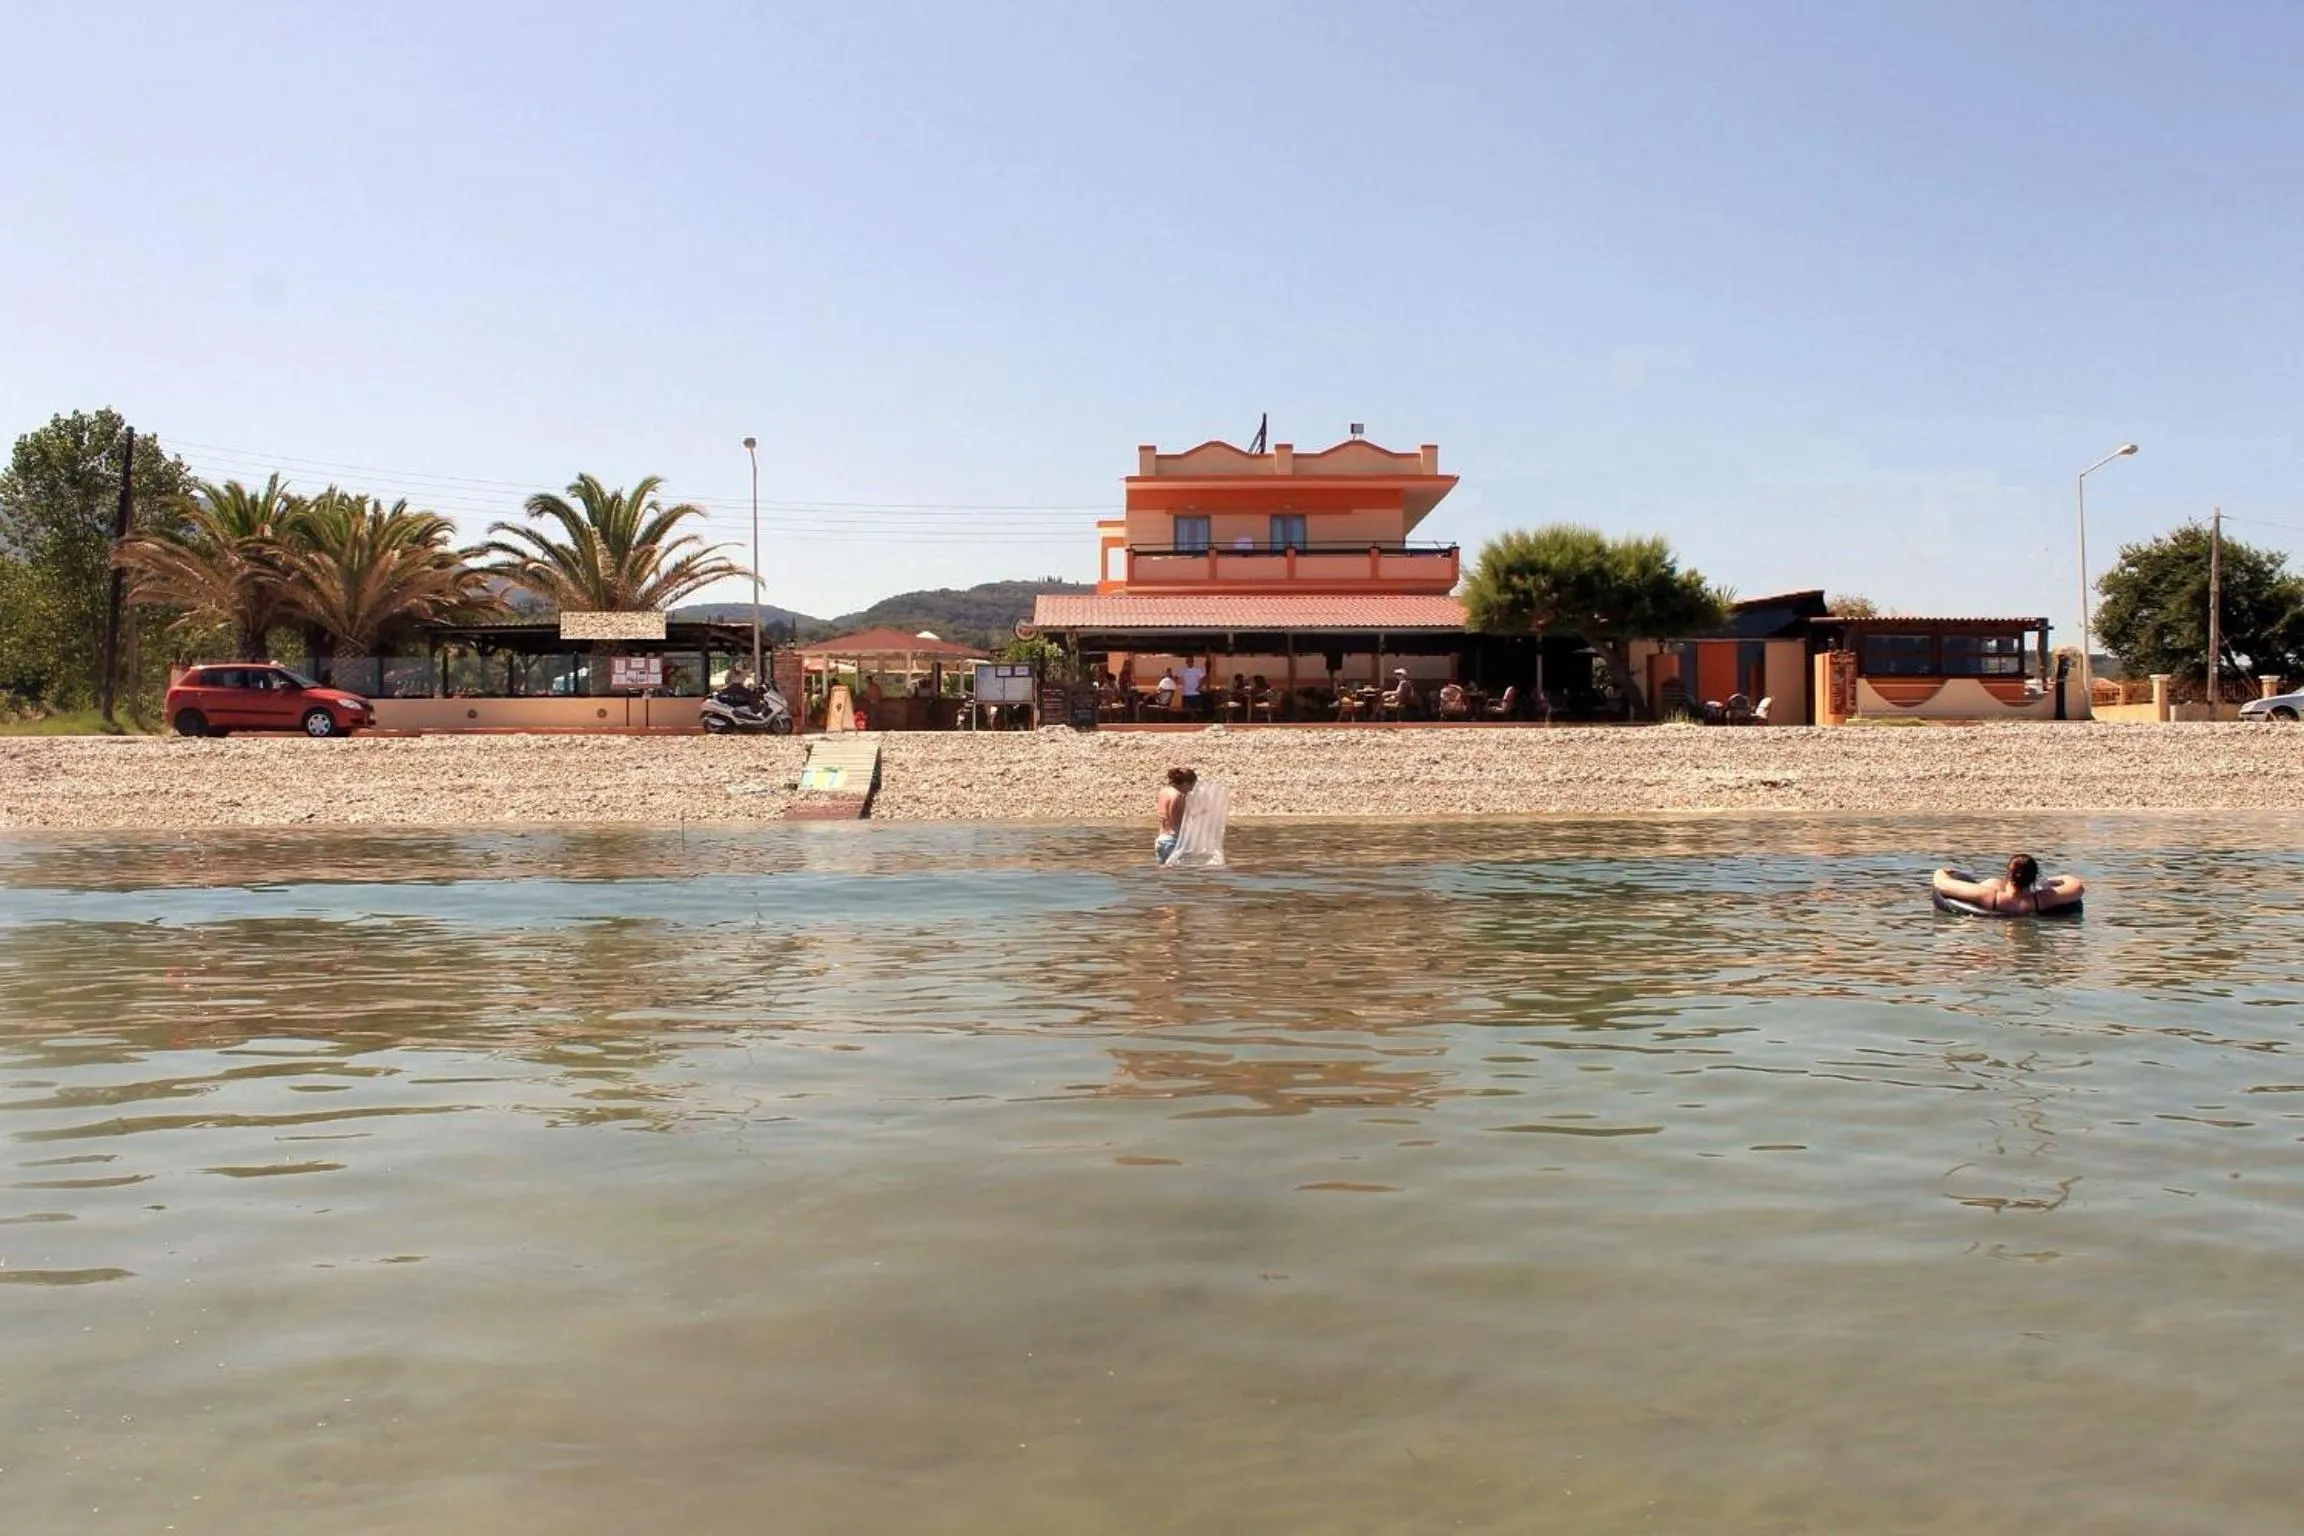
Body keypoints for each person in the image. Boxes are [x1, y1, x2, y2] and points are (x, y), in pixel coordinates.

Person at [1933, 855, 2083, 915]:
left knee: (1993, 882)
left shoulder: (1989, 895)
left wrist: (1941, 871)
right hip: (2031, 910)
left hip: (1992, 916)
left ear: (2008, 874)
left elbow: (1942, 884)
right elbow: (2077, 887)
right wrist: (2054, 879)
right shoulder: (2042, 900)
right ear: (2034, 878)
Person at [1155, 766, 1197, 864]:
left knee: (1164, 870)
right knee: (1178, 871)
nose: (1191, 790)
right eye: (1192, 785)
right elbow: (1177, 821)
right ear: (1185, 783)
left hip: (1162, 839)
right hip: (1173, 841)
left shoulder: (1164, 792)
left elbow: (1166, 816)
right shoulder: (1177, 795)